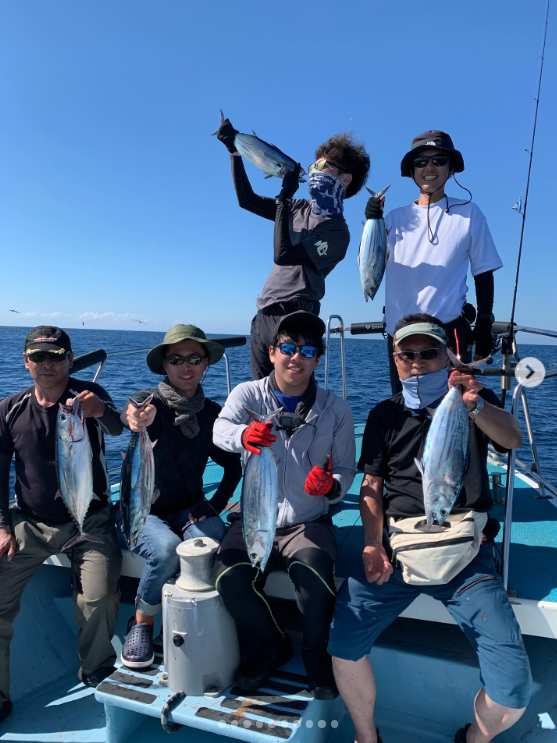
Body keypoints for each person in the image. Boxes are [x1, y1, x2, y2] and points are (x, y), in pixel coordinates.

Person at [328, 314, 532, 743]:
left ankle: (472, 739)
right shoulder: (384, 414)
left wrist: (474, 403)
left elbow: (513, 439)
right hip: (398, 551)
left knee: (513, 690)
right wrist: (372, 544)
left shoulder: (474, 400)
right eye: (408, 355)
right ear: (395, 360)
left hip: (466, 553)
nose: (418, 362)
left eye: (429, 353)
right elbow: (371, 486)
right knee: (342, 642)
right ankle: (366, 737)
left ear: (447, 356)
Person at [212, 310, 355, 699]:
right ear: (272, 352)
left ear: (317, 359)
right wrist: (244, 435)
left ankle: (315, 655)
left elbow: (346, 468)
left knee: (316, 582)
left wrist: (331, 486)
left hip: (307, 522)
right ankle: (273, 644)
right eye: (288, 348)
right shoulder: (247, 394)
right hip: (253, 516)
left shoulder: (336, 408)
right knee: (228, 579)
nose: (297, 358)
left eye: (307, 351)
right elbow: (220, 429)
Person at [0, 326, 123, 724]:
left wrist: (101, 412)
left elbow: (119, 427)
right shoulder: (11, 409)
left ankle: (96, 667)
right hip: (30, 524)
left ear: (70, 360)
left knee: (98, 598)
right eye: (38, 356)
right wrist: (2, 526)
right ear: (26, 362)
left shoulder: (89, 396)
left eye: (56, 356)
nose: (47, 364)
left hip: (90, 521)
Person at [119, 324, 242, 669]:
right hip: (142, 511)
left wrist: (213, 505)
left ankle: (187, 619)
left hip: (188, 509)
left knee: (214, 537)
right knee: (165, 550)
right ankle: (141, 623)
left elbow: (232, 468)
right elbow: (129, 413)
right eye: (176, 359)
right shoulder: (149, 404)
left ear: (205, 364)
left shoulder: (212, 414)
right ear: (164, 365)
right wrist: (134, 418)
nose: (185, 366)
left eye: (194, 358)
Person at [216, 114, 371, 380]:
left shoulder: (337, 233)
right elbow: (247, 200)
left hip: (297, 316)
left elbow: (284, 255)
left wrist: (283, 199)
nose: (314, 171)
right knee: (261, 394)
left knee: (292, 394)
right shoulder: (298, 207)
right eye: (314, 165)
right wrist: (234, 151)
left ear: (345, 179)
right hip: (263, 314)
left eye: (323, 166)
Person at [365, 130, 503, 394]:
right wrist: (373, 220)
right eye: (421, 162)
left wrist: (485, 322)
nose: (429, 168)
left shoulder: (470, 214)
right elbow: (369, 263)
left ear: (451, 169)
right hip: (400, 337)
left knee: (454, 410)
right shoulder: (392, 218)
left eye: (438, 160)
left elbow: (483, 272)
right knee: (405, 410)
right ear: (412, 171)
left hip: (447, 335)